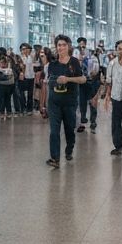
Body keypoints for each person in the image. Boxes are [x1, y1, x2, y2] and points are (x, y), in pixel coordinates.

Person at [42, 34, 84, 168]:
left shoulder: (74, 62)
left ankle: (69, 149)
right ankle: (55, 158)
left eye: (64, 45)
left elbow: (82, 79)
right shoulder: (52, 65)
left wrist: (68, 79)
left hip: (70, 102)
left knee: (69, 130)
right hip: (54, 102)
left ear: (68, 46)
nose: (61, 47)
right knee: (54, 131)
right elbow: (48, 81)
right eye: (59, 45)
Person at [75, 37, 99, 133]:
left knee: (92, 103)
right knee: (81, 103)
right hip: (81, 83)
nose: (82, 48)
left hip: (90, 82)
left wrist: (95, 71)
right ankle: (82, 121)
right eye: (80, 46)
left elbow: (96, 67)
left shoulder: (92, 56)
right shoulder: (76, 57)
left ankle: (93, 122)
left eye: (83, 46)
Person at [0, 52, 16, 120]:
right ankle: (2, 113)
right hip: (1, 87)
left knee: (8, 100)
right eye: (1, 62)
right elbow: (1, 77)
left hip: (8, 87)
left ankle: (9, 112)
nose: (3, 64)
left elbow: (12, 77)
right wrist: (8, 76)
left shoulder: (10, 69)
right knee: (2, 100)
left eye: (4, 62)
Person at [19, 43, 36, 114]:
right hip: (23, 77)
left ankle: (29, 109)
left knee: (30, 94)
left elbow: (35, 65)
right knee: (22, 94)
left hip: (31, 77)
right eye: (22, 49)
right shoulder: (20, 58)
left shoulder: (31, 57)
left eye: (25, 49)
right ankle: (23, 108)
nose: (24, 50)